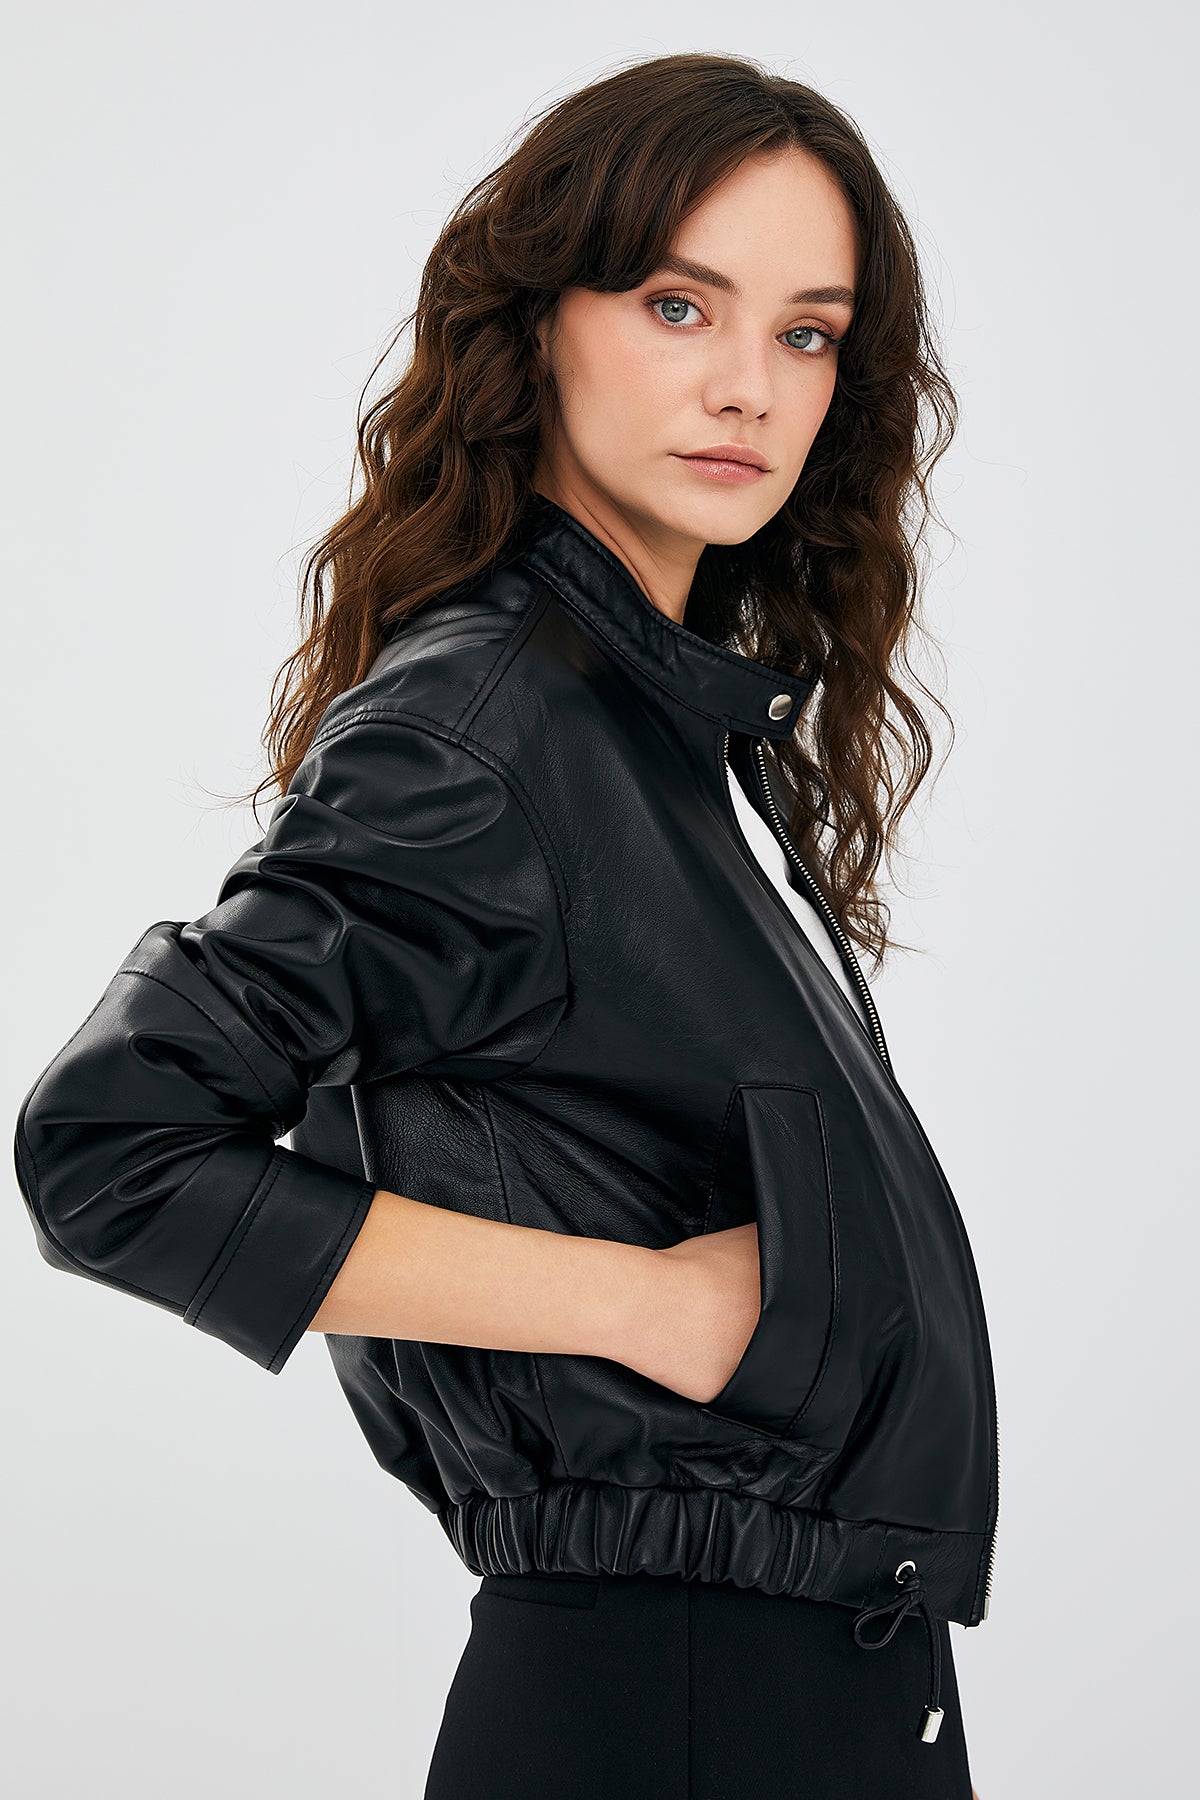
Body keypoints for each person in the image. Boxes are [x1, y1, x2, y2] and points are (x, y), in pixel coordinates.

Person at [13, 50, 995, 1800]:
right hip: (677, 1698)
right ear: (539, 325)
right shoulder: (488, 730)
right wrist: (644, 1306)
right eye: (680, 303)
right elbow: (112, 1151)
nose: (749, 385)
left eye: (807, 333)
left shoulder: (651, 731)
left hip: (792, 1684)